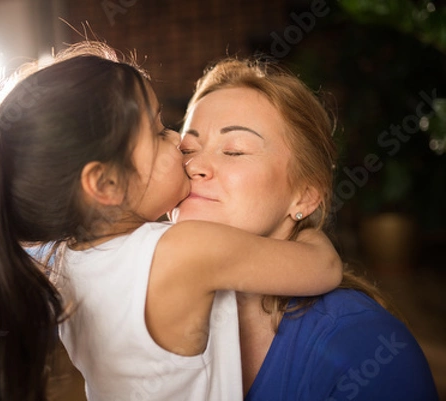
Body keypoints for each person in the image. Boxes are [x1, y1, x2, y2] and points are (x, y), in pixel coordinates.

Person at [0, 42, 343, 401]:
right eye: (160, 131)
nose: (181, 145)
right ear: (107, 183)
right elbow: (324, 269)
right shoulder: (184, 251)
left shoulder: (65, 260)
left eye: (233, 151)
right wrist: (308, 226)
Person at [174, 57, 439, 401]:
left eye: (234, 151)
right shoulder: (150, 297)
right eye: (186, 149)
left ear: (305, 195)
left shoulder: (365, 349)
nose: (194, 165)